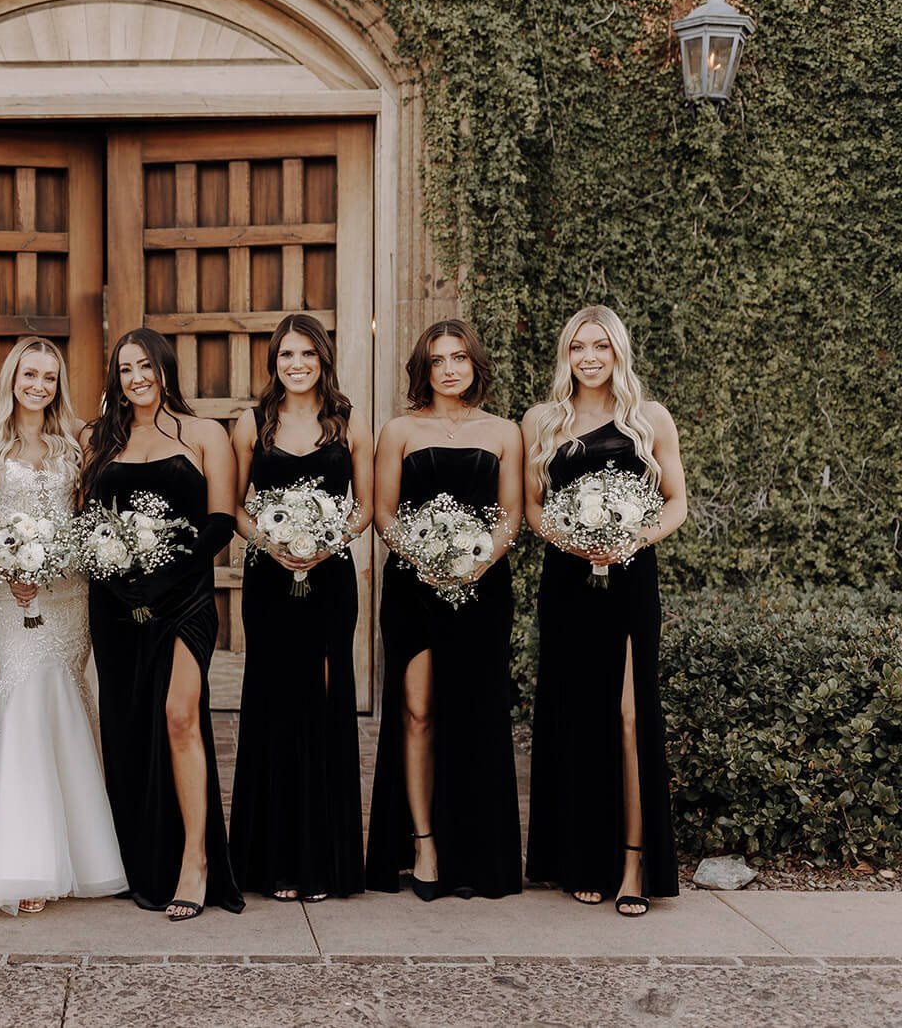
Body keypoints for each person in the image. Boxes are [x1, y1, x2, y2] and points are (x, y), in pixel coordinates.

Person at [0, 337, 128, 920]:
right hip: (11, 597)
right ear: (11, 377)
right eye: (28, 374)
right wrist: (10, 569)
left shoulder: (79, 442)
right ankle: (21, 859)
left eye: (48, 376)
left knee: (65, 700)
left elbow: (89, 519)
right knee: (21, 700)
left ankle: (83, 854)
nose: (37, 385)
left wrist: (59, 564)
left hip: (68, 594)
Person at [523, 305, 688, 916]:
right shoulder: (541, 420)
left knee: (627, 715)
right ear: (565, 355)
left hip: (629, 580)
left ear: (619, 352)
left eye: (600, 346)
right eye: (577, 347)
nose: (588, 357)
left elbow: (676, 502)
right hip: (566, 581)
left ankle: (633, 863)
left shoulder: (649, 419)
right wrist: (564, 539)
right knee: (577, 716)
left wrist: (636, 537)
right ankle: (581, 859)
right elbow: (533, 505)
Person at [82, 327, 243, 920]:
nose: (136, 378)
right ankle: (137, 859)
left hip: (184, 598)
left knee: (179, 716)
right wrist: (119, 572)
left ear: (165, 368)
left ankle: (194, 860)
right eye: (125, 369)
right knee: (125, 726)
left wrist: (164, 575)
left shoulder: (204, 434)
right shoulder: (99, 438)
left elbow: (221, 521)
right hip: (116, 601)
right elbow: (87, 521)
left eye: (145, 366)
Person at [364, 320, 524, 900]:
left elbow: (512, 515)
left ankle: (475, 851)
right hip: (413, 585)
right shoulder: (401, 430)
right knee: (418, 710)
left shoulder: (504, 432)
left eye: (459, 358)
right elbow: (383, 512)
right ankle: (424, 844)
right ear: (423, 370)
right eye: (438, 360)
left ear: (475, 365)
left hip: (483, 588)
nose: (450, 369)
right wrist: (423, 556)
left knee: (476, 716)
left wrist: (478, 559)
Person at [228, 314, 372, 903]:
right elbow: (236, 506)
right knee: (273, 703)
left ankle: (325, 862)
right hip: (268, 581)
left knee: (324, 703)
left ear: (324, 359)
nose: (297, 364)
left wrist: (326, 542)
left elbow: (364, 506)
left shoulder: (350, 423)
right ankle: (274, 861)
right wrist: (272, 543)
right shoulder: (252, 423)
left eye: (308, 354)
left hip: (330, 581)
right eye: (287, 354)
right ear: (274, 361)